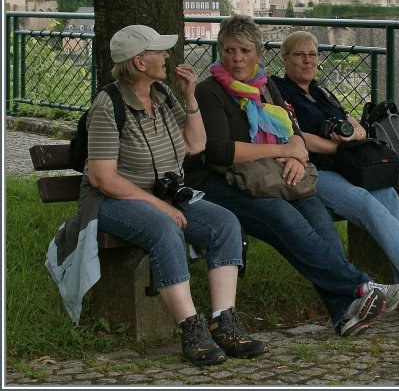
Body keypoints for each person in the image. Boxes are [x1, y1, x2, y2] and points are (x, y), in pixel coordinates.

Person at [46, 24, 268, 366]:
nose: (166, 56)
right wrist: (160, 207)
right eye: (159, 51)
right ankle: (191, 330)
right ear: (139, 62)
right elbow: (102, 177)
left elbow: (196, 144)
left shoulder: (162, 94)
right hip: (112, 201)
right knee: (164, 229)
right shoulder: (108, 105)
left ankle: (223, 322)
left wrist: (190, 97)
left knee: (225, 223)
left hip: (163, 195)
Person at [184, 15, 399, 336]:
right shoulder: (210, 91)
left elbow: (294, 131)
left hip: (269, 174)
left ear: (257, 53)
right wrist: (281, 150)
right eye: (229, 50)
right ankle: (360, 286)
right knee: (283, 217)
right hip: (218, 182)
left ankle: (345, 314)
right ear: (220, 52)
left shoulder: (265, 86)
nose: (237, 58)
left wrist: (297, 154)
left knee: (317, 217)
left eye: (245, 50)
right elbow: (218, 152)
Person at [271, 30, 399, 318]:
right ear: (285, 58)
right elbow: (295, 134)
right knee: (364, 202)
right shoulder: (278, 90)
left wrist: (354, 133)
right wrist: (338, 147)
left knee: (388, 195)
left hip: (346, 167)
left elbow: (351, 121)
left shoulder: (320, 91)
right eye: (299, 55)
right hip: (312, 170)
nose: (307, 60)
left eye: (312, 54)